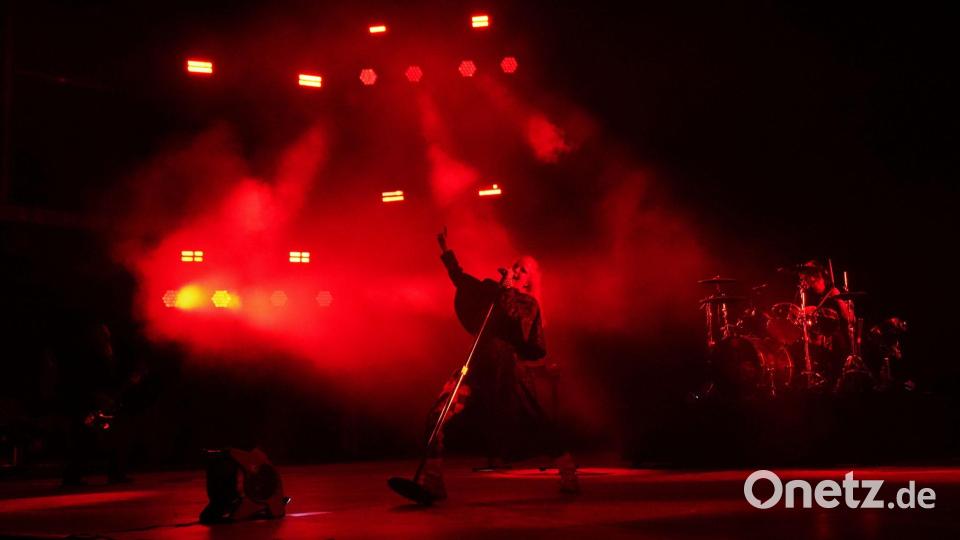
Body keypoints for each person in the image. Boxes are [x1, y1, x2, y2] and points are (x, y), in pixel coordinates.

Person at [418, 228, 578, 499]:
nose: (516, 270)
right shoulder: (491, 292)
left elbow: (519, 327)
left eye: (523, 270)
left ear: (528, 281)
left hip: (508, 374)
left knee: (537, 423)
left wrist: (504, 294)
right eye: (516, 265)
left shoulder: (528, 304)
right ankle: (433, 479)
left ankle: (568, 470)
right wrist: (446, 250)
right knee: (439, 414)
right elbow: (462, 282)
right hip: (476, 368)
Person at [797, 261, 852, 382]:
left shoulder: (833, 291)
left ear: (815, 277)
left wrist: (839, 300)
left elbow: (849, 318)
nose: (805, 283)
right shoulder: (808, 294)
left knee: (836, 341)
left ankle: (836, 379)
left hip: (835, 337)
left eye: (806, 278)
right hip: (816, 336)